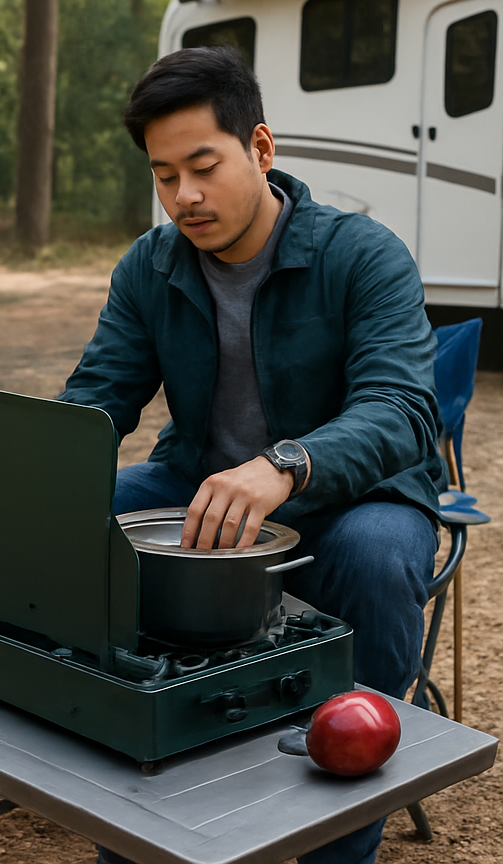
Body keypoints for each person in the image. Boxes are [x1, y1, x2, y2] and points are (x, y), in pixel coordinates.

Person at [60, 47, 442, 864]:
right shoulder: (149, 267)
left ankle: (340, 830)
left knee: (377, 557)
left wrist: (285, 464)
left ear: (260, 149)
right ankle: (141, 789)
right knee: (85, 522)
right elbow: (97, 400)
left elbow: (403, 410)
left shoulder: (363, 255)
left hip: (356, 499)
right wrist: (46, 467)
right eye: (164, 176)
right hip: (201, 482)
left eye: (203, 168)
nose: (184, 197)